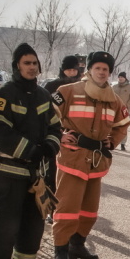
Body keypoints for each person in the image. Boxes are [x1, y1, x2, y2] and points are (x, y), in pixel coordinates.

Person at [0, 43, 61, 259]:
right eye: (26, 62)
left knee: (33, 224)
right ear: (17, 65)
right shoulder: (3, 94)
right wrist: (30, 150)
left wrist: (50, 147)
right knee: (5, 227)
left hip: (36, 175)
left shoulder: (43, 95)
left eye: (34, 63)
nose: (32, 67)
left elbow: (55, 127)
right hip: (8, 173)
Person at [51, 51, 130, 259]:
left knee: (89, 211)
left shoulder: (114, 99)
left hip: (96, 161)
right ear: (90, 70)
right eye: (98, 68)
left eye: (106, 69)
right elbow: (46, 115)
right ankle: (61, 251)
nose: (102, 72)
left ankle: (77, 245)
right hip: (73, 158)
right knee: (67, 208)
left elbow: (123, 123)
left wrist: (111, 141)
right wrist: (58, 136)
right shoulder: (68, 91)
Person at [42, 55, 82, 223]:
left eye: (74, 69)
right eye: (68, 69)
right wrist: (58, 134)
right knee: (52, 174)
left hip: (77, 139)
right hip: (55, 134)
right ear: (62, 69)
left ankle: (70, 209)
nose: (71, 73)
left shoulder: (83, 87)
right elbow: (44, 112)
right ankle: (51, 210)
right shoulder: (51, 87)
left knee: (73, 178)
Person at [112, 71, 130, 151]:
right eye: (119, 77)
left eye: (122, 77)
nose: (120, 78)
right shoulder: (114, 87)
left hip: (124, 111)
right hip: (113, 109)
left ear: (125, 78)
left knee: (123, 126)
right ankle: (111, 142)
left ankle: (123, 144)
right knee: (111, 125)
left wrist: (127, 105)